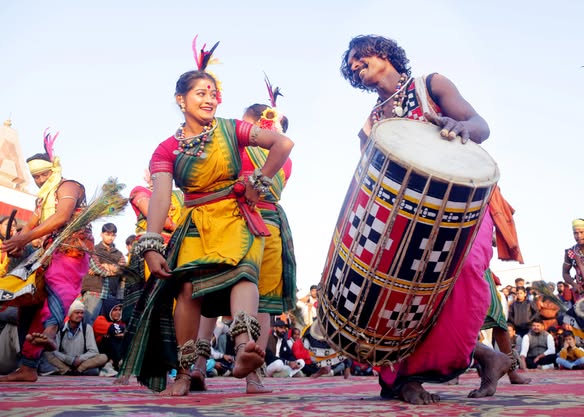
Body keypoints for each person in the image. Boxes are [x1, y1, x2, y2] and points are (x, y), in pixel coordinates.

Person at [340, 34, 511, 404]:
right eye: (350, 63)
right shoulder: (372, 123)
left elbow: (479, 124)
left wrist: (463, 127)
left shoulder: (431, 85)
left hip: (461, 204)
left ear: (382, 52)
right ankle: (462, 363)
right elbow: (369, 181)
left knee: (464, 275)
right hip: (404, 221)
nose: (354, 65)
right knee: (401, 294)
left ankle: (463, 362)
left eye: (358, 56)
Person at [119, 64, 294, 396]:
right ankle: (185, 374)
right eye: (201, 93)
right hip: (197, 221)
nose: (209, 99)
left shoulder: (232, 129)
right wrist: (153, 242)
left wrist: (258, 181)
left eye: (213, 94)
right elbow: (159, 194)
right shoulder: (167, 148)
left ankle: (245, 351)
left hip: (239, 217)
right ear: (181, 100)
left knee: (244, 275)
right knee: (188, 291)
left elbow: (283, 144)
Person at [192, 80, 296, 393]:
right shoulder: (286, 162)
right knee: (263, 302)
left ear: (249, 124)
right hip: (270, 225)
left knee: (210, 297)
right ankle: (254, 375)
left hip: (233, 222)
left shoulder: (237, 143)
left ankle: (198, 365)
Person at [0, 130, 92, 383]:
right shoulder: (42, 200)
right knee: (27, 305)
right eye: (35, 176)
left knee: (58, 287)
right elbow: (31, 225)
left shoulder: (69, 186)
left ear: (54, 168)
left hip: (71, 249)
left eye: (43, 174)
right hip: (46, 253)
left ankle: (50, 332)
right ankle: (27, 367)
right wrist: (17, 244)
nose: (40, 180)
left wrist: (25, 238)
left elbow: (62, 216)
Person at [43, 300, 108, 376]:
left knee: (103, 357)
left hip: (81, 362)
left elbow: (93, 351)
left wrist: (80, 359)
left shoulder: (87, 328)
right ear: (70, 314)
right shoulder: (61, 328)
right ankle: (66, 370)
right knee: (47, 353)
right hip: (64, 361)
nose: (80, 315)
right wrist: (69, 359)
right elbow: (54, 350)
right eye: (77, 313)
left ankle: (79, 370)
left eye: (82, 313)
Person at [81, 223, 126, 325]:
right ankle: (85, 341)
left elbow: (122, 269)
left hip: (110, 293)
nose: (110, 237)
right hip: (94, 290)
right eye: (107, 234)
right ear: (101, 234)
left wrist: (105, 266)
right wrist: (113, 269)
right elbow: (97, 268)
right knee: (88, 323)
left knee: (107, 325)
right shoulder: (94, 249)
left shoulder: (118, 253)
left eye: (113, 235)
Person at [93, 297, 126, 374]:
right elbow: (113, 328)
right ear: (108, 310)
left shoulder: (121, 322)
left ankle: (113, 364)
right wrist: (123, 331)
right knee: (110, 338)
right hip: (100, 352)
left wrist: (124, 333)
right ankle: (114, 364)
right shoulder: (99, 320)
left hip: (115, 351)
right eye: (115, 310)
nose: (118, 312)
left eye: (119, 310)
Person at [562, 219, 584, 300]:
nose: (579, 236)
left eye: (582, 232)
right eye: (576, 233)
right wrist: (574, 284)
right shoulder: (570, 252)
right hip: (581, 292)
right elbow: (565, 273)